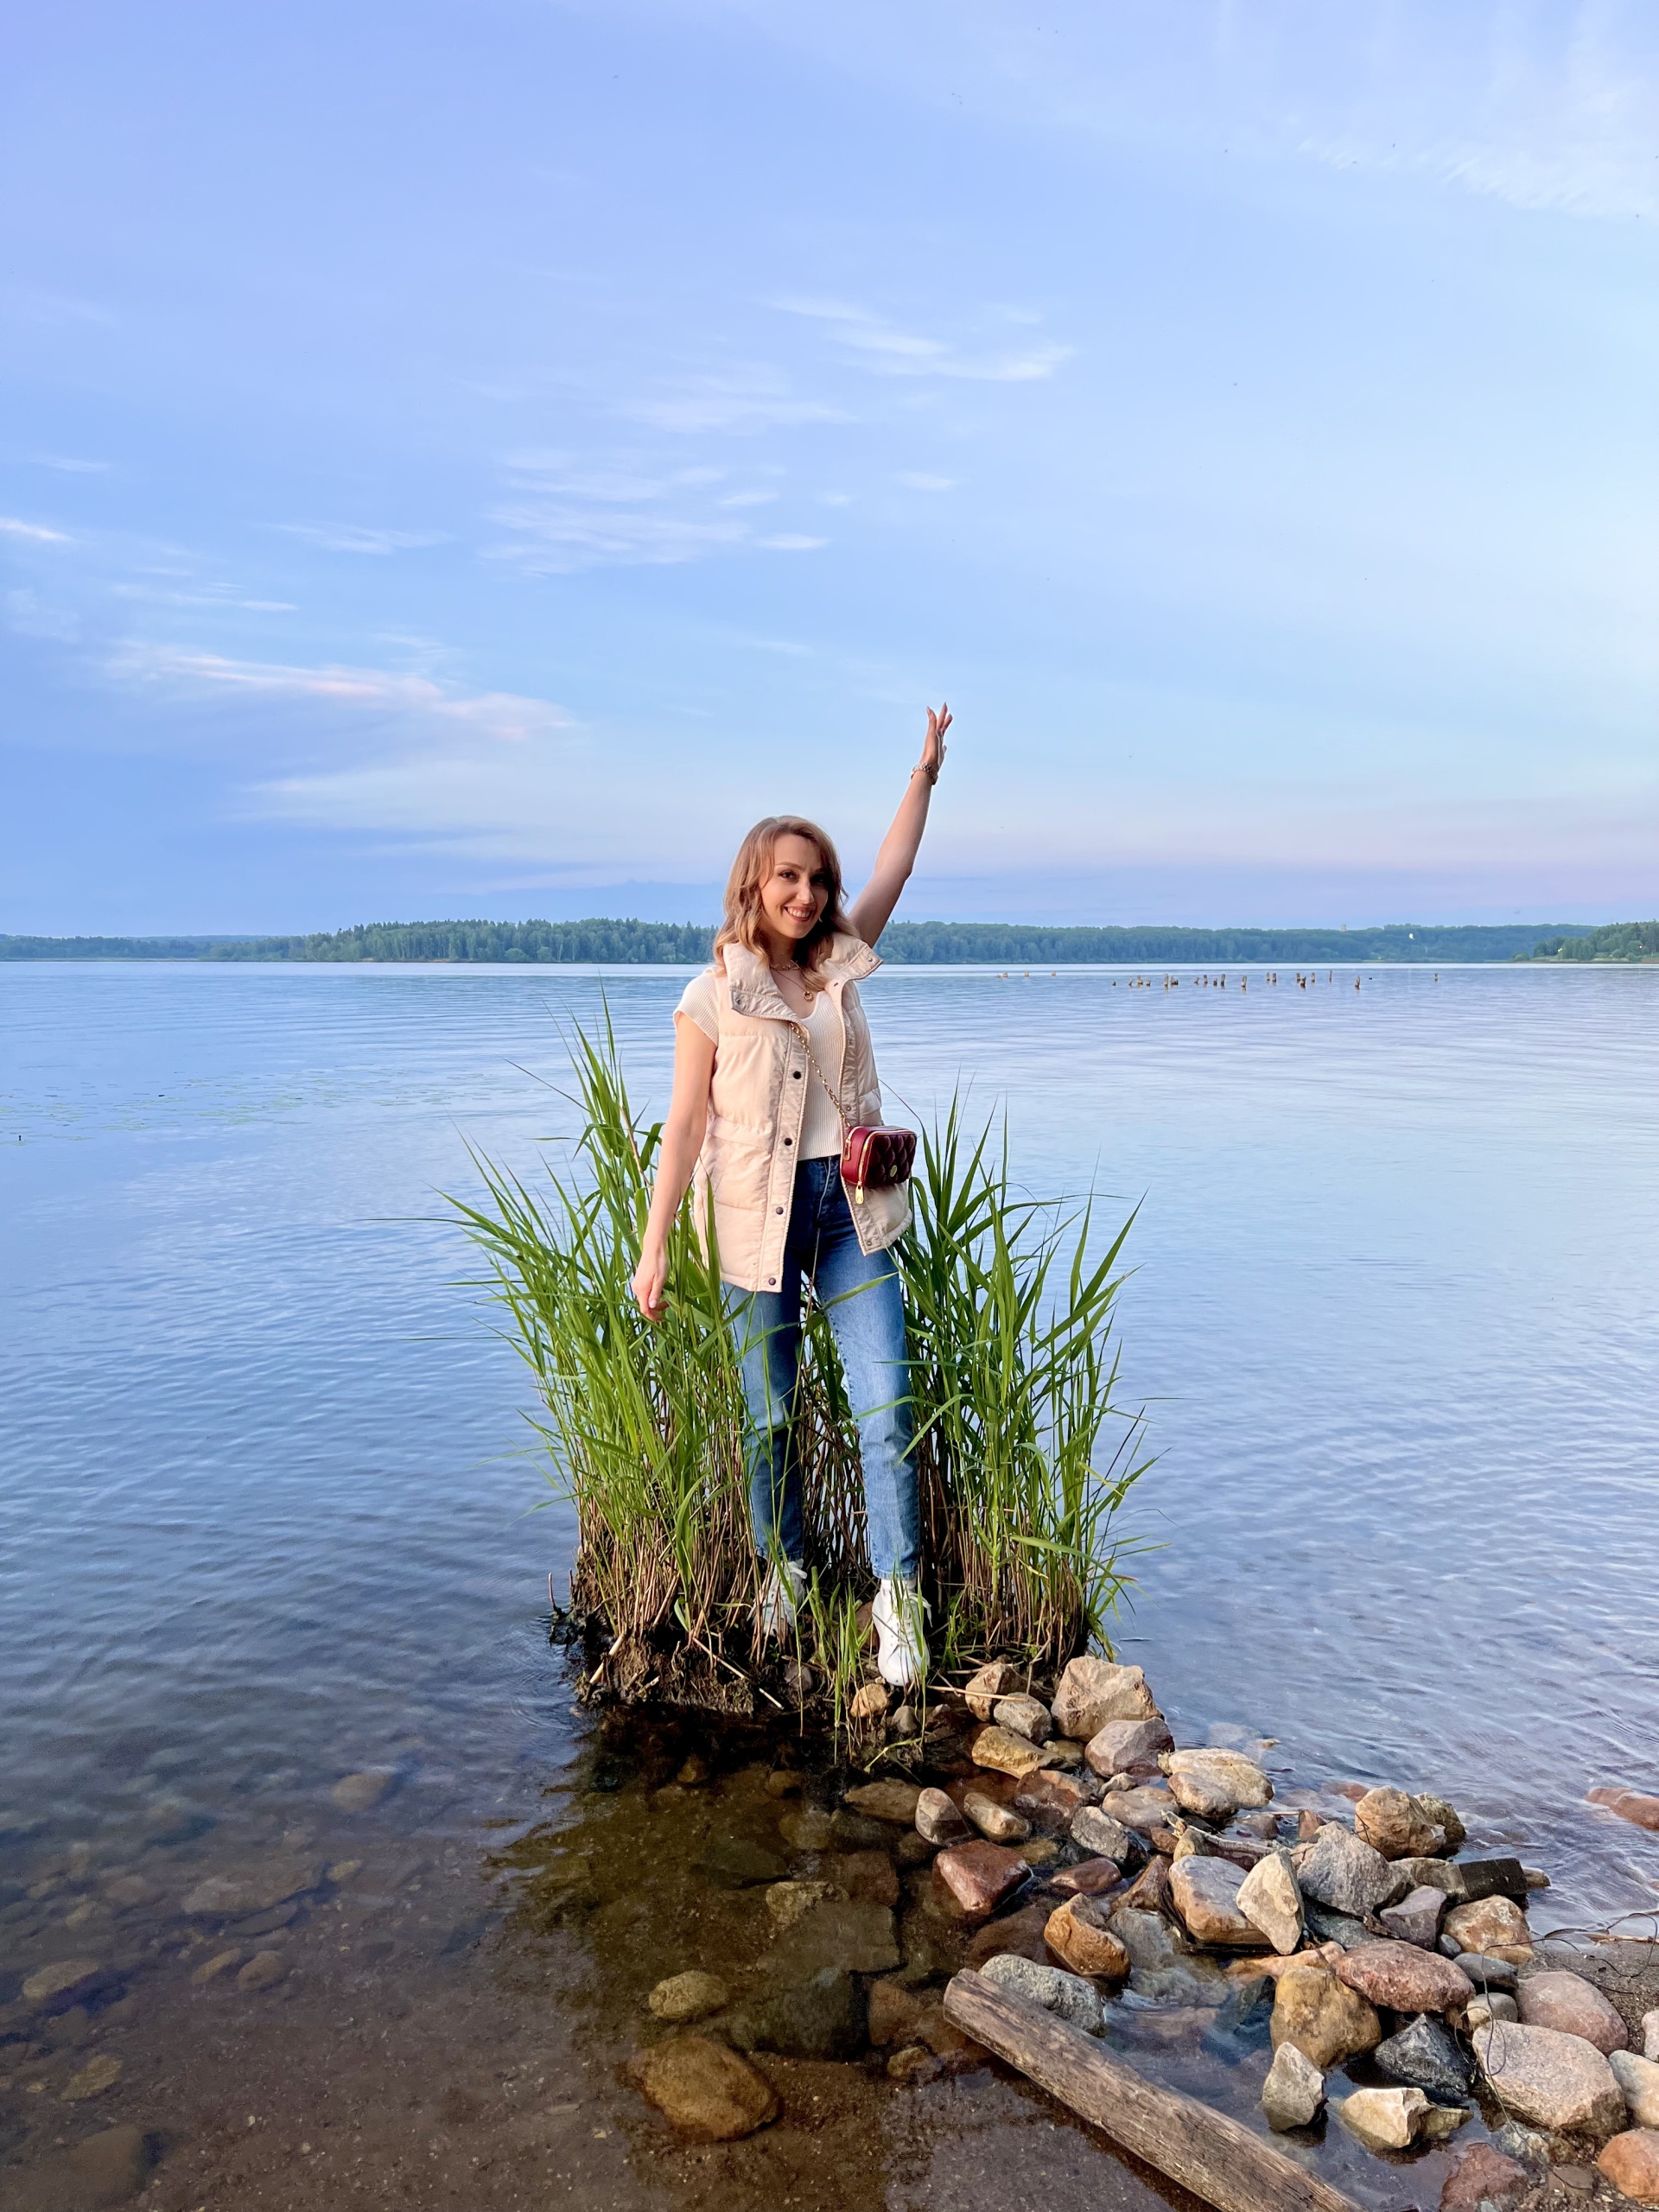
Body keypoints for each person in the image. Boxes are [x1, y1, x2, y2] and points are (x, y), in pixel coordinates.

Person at [631, 706, 951, 1688]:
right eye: (789, 878)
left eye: (818, 880)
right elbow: (683, 1128)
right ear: (753, 886)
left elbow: (894, 871)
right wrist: (653, 1249)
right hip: (752, 1216)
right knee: (768, 1417)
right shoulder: (712, 994)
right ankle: (785, 1568)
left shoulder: (838, 967)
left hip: (854, 1213)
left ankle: (897, 1600)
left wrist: (924, 775)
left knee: (886, 1404)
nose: (808, 895)